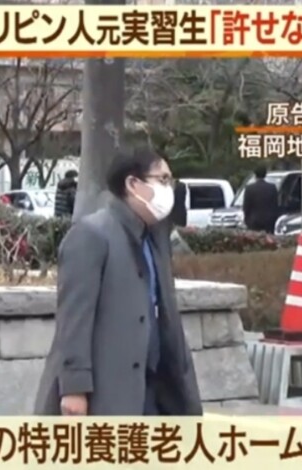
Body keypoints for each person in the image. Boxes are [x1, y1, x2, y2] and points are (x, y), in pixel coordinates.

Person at [34, 149, 202, 416]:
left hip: (156, 386)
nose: (169, 189)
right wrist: (74, 388)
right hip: (107, 389)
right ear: (133, 184)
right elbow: (74, 320)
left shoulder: (155, 238)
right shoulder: (91, 235)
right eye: (162, 179)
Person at [243, 166, 279, 233]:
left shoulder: (249, 188)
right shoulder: (272, 188)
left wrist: (247, 220)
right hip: (269, 221)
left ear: (255, 174)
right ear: (265, 174)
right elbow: (275, 205)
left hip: (254, 221)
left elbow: (246, 207)